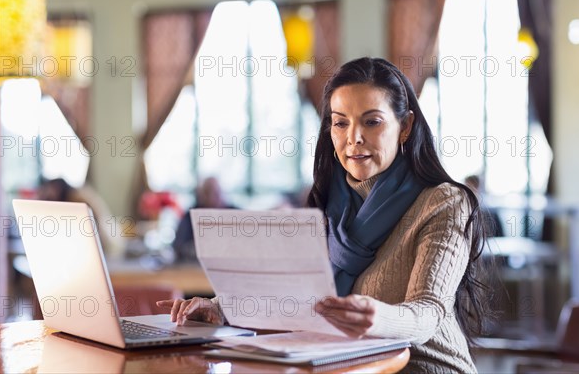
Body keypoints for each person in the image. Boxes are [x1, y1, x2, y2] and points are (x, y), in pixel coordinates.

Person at [157, 57, 491, 373]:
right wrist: (220, 307)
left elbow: (428, 311)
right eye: (340, 123)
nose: (353, 138)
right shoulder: (328, 205)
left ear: (405, 127)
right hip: (347, 368)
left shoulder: (444, 203)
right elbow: (283, 292)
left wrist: (377, 318)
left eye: (372, 122)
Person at [172, 177, 233, 261]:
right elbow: (178, 246)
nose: (213, 197)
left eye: (217, 193)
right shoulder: (190, 217)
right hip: (195, 267)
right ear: (201, 195)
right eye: (208, 192)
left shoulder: (235, 213)